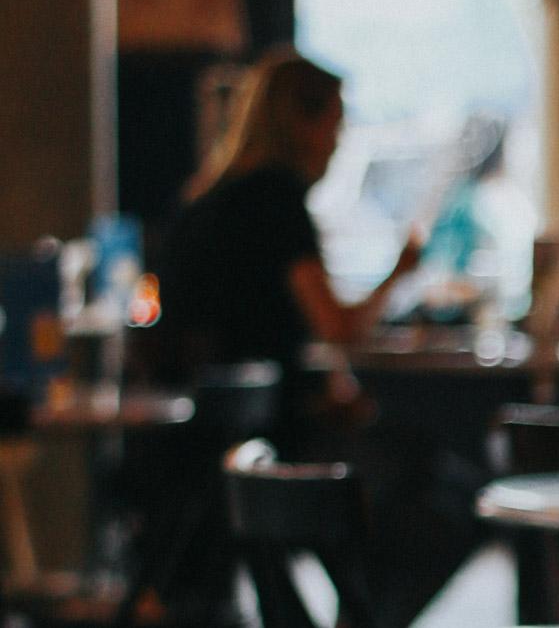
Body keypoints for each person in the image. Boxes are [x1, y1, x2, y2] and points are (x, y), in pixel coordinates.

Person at [155, 49, 475, 627]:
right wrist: (399, 274)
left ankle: (352, 613)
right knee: (449, 487)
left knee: (413, 470)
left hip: (211, 445)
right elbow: (338, 328)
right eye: (336, 123)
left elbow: (241, 333)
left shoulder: (203, 202)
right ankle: (366, 618)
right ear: (300, 123)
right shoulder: (277, 202)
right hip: (274, 442)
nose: (338, 141)